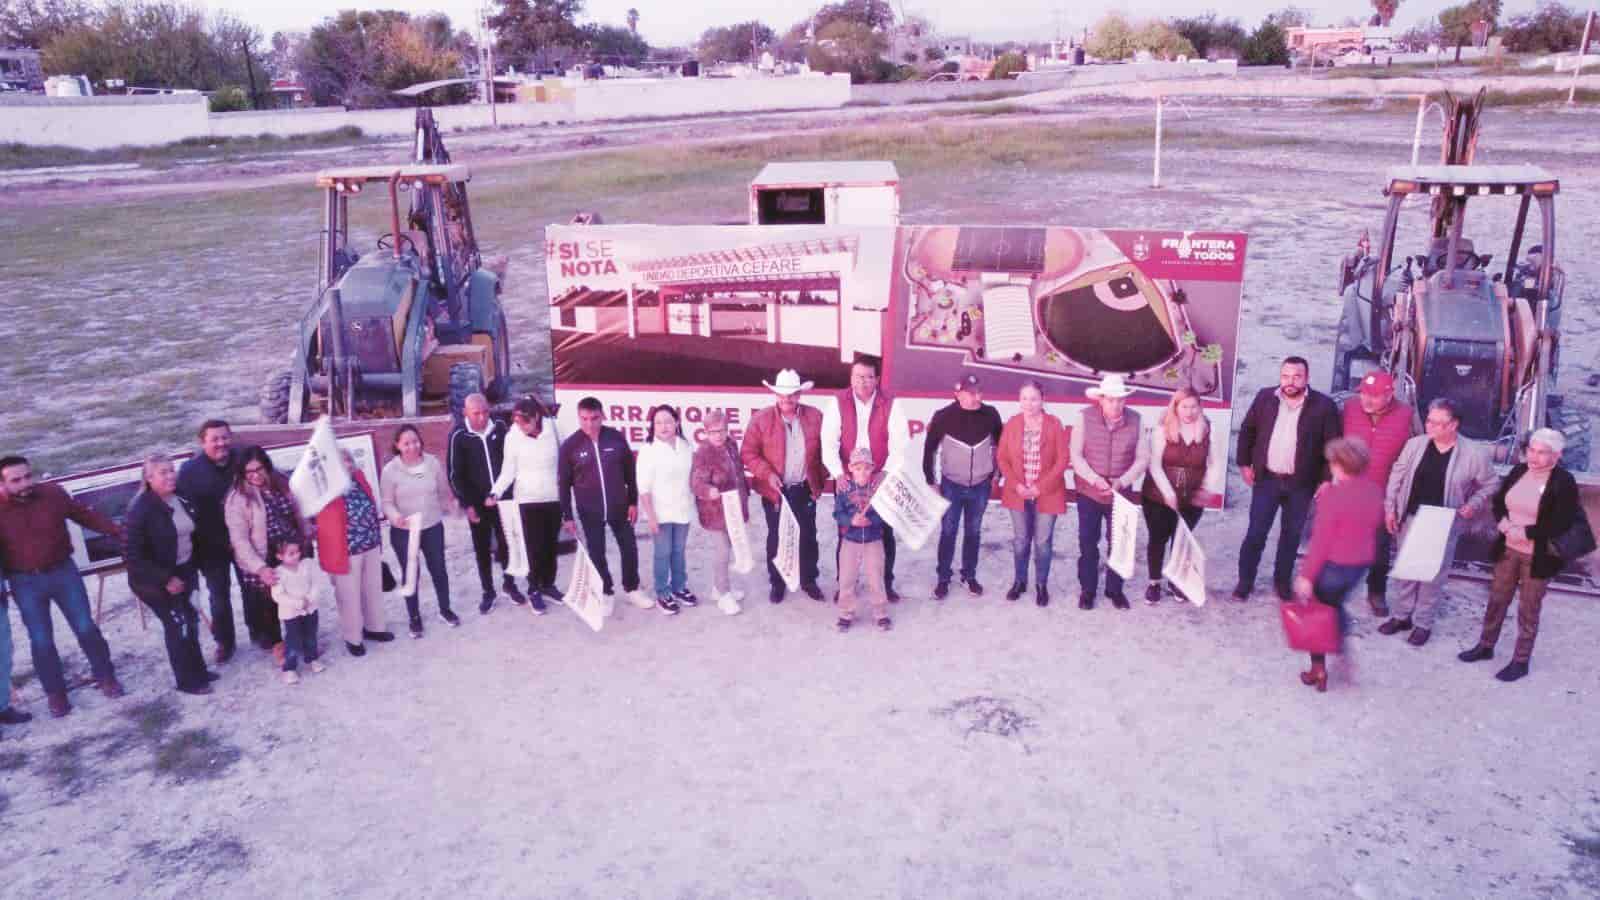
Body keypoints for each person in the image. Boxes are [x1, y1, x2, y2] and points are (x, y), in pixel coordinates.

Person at [0, 455, 125, 718]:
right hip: (24, 582)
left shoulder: (52, 494)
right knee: (41, 640)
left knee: (85, 627)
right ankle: (55, 694)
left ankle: (106, 676)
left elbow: (84, 516)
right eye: (16, 480)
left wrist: (117, 531)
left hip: (63, 572)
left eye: (27, 476)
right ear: (2, 484)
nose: (25, 483)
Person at [1458, 428, 1580, 683]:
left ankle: (1521, 660)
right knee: (1497, 598)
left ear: (1556, 456)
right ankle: (1486, 645)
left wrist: (1527, 532)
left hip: (1538, 555)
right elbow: (1500, 501)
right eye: (1531, 451)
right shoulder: (1519, 471)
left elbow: (1563, 521)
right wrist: (1503, 523)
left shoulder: (1563, 482)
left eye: (1542, 453)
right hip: (1508, 549)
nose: (1534, 457)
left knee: (1528, 608)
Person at [1378, 398, 1496, 646]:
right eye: (1429, 420)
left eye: (1436, 423)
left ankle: (1423, 622)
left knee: (1432, 575)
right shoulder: (1415, 445)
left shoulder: (1474, 454)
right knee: (1407, 569)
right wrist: (1390, 509)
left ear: (1453, 425)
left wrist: (1473, 504)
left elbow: (1491, 483)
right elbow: (1396, 477)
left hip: (1441, 522)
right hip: (1410, 516)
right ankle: (1402, 616)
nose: (1429, 427)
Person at [1234, 356, 1343, 603]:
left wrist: (1326, 479)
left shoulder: (1323, 406)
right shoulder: (1265, 398)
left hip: (1301, 484)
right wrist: (1243, 464)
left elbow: (1333, 446)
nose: (1290, 381)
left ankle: (1282, 582)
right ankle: (1245, 581)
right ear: (1280, 376)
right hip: (1267, 480)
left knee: (1291, 535)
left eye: (1297, 376)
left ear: (1307, 378)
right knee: (1256, 533)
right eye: (1285, 376)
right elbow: (1247, 431)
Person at [1292, 438, 1384, 693]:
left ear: (1340, 465)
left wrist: (1306, 576)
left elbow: (1320, 540)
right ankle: (1342, 647)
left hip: (1333, 565)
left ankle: (1318, 668)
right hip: (1360, 565)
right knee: (1335, 606)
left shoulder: (1333, 496)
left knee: (1317, 615)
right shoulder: (1374, 491)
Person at [125, 455, 215, 696]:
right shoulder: (140, 510)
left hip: (185, 568)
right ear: (149, 478)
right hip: (155, 580)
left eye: (171, 470)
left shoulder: (180, 497)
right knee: (177, 625)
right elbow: (133, 557)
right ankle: (186, 680)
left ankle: (199, 670)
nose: (170, 476)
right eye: (162, 473)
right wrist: (165, 579)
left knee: (192, 618)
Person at [820, 354, 908, 601]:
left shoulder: (891, 403)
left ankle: (885, 584)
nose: (864, 382)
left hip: (879, 476)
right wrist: (838, 474)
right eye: (859, 376)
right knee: (846, 531)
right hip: (848, 477)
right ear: (851, 377)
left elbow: (900, 443)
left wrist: (886, 472)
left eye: (869, 377)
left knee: (883, 533)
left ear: (877, 379)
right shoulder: (837, 402)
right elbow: (828, 442)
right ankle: (845, 585)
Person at [742, 369, 828, 604]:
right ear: (775, 394)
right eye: (781, 395)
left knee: (809, 536)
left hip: (804, 488)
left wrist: (818, 478)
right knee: (776, 538)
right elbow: (748, 453)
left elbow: (829, 450)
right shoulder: (760, 420)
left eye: (791, 395)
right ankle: (777, 583)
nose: (786, 400)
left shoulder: (816, 417)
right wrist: (767, 474)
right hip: (776, 491)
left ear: (800, 394)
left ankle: (809, 580)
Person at [558, 397, 652, 610]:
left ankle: (632, 588)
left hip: (619, 506)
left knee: (629, 547)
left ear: (603, 415)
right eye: (584, 419)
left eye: (594, 418)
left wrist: (633, 502)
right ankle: (606, 591)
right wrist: (568, 516)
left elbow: (630, 473)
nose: (589, 424)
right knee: (596, 551)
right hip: (589, 510)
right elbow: (563, 484)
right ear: (578, 417)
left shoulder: (616, 438)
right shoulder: (570, 446)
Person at [1340, 371, 1421, 616]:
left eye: (1374, 396)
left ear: (1389, 394)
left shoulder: (1407, 414)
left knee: (1379, 547)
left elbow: (1418, 448)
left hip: (1383, 494)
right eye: (1364, 392)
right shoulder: (1350, 408)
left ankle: (1376, 591)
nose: (1367, 399)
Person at [1069, 374, 1150, 610]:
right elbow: (1075, 454)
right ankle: (1088, 590)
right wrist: (1095, 480)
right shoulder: (1084, 418)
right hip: (1089, 492)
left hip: (1120, 493)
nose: (1116, 404)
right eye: (1111, 400)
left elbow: (1143, 457)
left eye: (1120, 400)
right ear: (1101, 400)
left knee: (1119, 543)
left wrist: (1123, 481)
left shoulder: (1137, 420)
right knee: (1087, 542)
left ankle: (1115, 590)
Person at [922, 373, 1004, 599]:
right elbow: (929, 449)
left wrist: (998, 474)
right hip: (951, 486)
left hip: (980, 486)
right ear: (957, 393)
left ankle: (969, 575)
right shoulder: (943, 416)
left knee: (974, 532)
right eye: (970, 393)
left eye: (979, 392)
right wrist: (931, 480)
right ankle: (943, 578)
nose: (976, 397)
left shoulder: (990, 414)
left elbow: (1002, 446)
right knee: (948, 531)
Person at [223, 446, 302, 666]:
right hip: (262, 558)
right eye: (249, 472)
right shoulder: (237, 499)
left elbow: (297, 511)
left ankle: (301, 638)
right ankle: (279, 645)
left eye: (259, 469)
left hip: (290, 552)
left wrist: (305, 535)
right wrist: (260, 568)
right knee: (271, 606)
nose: (255, 475)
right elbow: (239, 541)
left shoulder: (281, 482)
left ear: (267, 465)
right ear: (241, 473)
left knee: (296, 595)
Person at [176, 419, 247, 662]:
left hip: (244, 540)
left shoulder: (242, 458)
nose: (221, 443)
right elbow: (183, 511)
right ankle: (225, 642)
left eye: (225, 437)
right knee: (219, 596)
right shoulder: (188, 471)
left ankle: (262, 633)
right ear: (202, 442)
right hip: (210, 545)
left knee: (253, 589)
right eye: (214, 439)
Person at [383, 424, 464, 636]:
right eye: (406, 443)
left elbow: (444, 492)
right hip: (404, 531)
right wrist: (396, 517)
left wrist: (453, 508)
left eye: (415, 441)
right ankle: (414, 618)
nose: (412, 446)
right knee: (411, 573)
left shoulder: (432, 463)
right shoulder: (390, 471)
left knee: (439, 569)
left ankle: (445, 609)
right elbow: (386, 502)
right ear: (397, 445)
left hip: (432, 526)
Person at [1141, 387, 1220, 604]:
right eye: (1184, 406)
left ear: (1200, 407)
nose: (1189, 411)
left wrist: (1206, 489)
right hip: (1158, 496)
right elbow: (1154, 465)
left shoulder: (1207, 429)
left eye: (1194, 406)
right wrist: (1168, 493)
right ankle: (1154, 582)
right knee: (1158, 539)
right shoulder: (1162, 428)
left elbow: (1214, 463)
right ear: (1175, 407)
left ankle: (1175, 581)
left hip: (1191, 498)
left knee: (1181, 541)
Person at [448, 393, 525, 614]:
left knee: (508, 543)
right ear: (465, 413)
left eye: (485, 412)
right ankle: (488, 591)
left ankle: (509, 584)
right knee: (482, 548)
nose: (481, 417)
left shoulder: (500, 427)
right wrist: (468, 504)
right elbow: (455, 475)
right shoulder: (459, 436)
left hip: (503, 499)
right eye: (476, 413)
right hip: (478, 503)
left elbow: (512, 460)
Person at [996, 380, 1070, 607]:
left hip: (1047, 493)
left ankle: (1041, 585)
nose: (1029, 403)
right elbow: (1002, 458)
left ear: (1042, 399)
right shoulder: (1012, 424)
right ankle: (1020, 582)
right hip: (1017, 492)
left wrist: (1040, 487)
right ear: (1019, 401)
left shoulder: (1054, 424)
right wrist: (1016, 484)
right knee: (1020, 541)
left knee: (1043, 542)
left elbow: (1062, 460)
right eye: (1024, 398)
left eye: (1034, 398)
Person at [488, 397, 563, 608]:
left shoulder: (555, 429)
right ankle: (534, 588)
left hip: (553, 497)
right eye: (517, 423)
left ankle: (548, 584)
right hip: (527, 500)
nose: (521, 427)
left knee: (550, 544)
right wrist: (495, 492)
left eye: (525, 423)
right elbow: (508, 471)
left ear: (536, 417)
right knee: (533, 547)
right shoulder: (513, 437)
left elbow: (566, 459)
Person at [315, 451, 391, 656]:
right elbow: (323, 523)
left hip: (370, 544)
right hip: (346, 550)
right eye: (340, 462)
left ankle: (374, 627)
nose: (346, 465)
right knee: (349, 595)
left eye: (348, 460)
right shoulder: (326, 489)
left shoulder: (359, 479)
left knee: (372, 589)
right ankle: (353, 637)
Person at [636, 404, 697, 616]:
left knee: (679, 551)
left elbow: (692, 478)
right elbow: (643, 488)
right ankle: (663, 592)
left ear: (677, 423)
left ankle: (679, 587)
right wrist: (651, 516)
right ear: (652, 426)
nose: (663, 426)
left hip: (683, 509)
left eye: (668, 421)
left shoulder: (685, 446)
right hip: (659, 512)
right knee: (663, 553)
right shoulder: (648, 450)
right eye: (658, 422)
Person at [690, 409, 749, 616]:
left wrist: (745, 496)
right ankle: (724, 594)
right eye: (714, 431)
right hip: (715, 512)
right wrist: (708, 491)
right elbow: (696, 483)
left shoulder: (731, 445)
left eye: (722, 430)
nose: (719, 435)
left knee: (730, 546)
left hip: (733, 509)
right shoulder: (702, 454)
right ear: (705, 432)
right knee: (722, 551)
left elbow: (739, 472)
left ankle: (718, 587)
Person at [833, 447, 891, 632]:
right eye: (858, 468)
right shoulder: (844, 490)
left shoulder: (878, 490)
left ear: (873, 468)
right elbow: (837, 513)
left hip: (873, 541)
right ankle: (846, 613)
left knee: (876, 578)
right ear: (850, 468)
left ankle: (880, 612)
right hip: (850, 541)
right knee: (847, 579)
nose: (862, 472)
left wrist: (871, 520)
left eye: (866, 468)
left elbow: (884, 514)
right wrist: (851, 520)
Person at [271, 536, 330, 685]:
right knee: (293, 639)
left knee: (311, 634)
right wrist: (298, 603)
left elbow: (317, 583)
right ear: (279, 556)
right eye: (291, 553)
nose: (296, 555)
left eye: (297, 551)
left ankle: (312, 658)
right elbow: (278, 595)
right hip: (291, 613)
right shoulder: (277, 573)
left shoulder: (308, 564)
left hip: (310, 608)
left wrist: (309, 599)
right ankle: (289, 668)